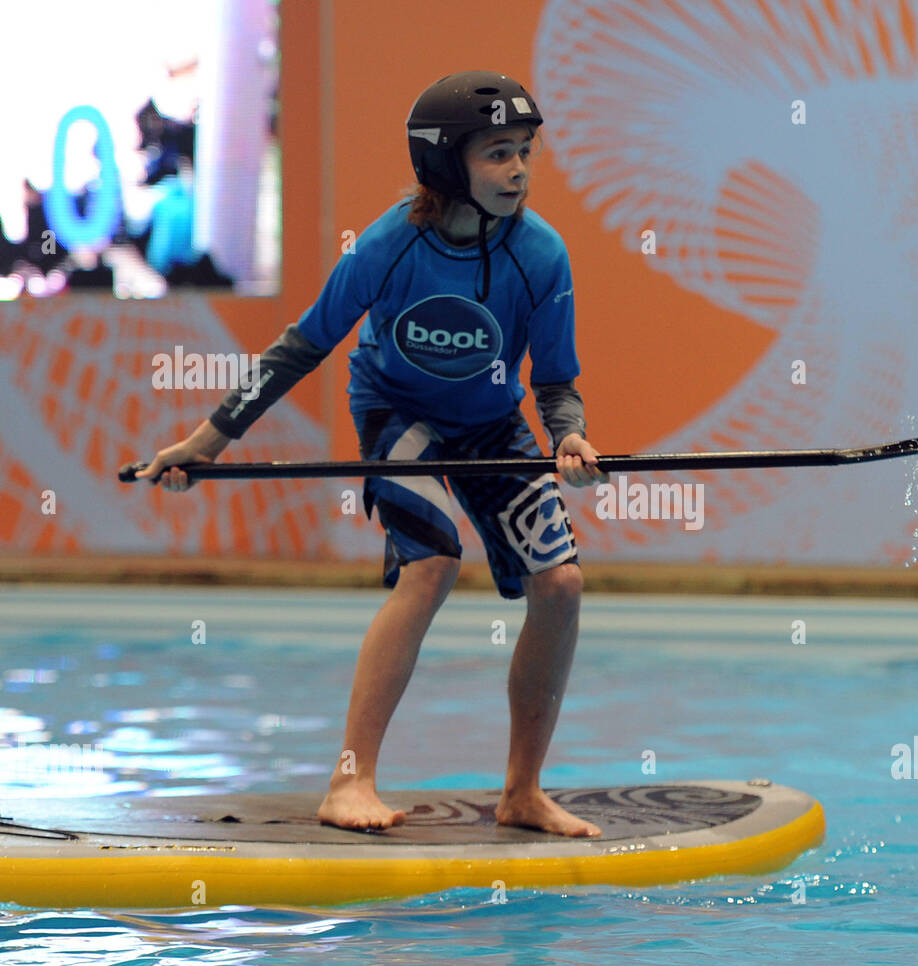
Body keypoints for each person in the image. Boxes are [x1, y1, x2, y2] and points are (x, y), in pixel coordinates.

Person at [133, 71, 607, 837]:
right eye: (497, 154)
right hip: (399, 416)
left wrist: (569, 438)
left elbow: (554, 383)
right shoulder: (388, 246)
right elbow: (301, 348)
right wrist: (207, 441)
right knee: (432, 564)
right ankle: (348, 781)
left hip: (492, 425)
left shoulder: (543, 256)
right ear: (446, 162)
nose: (519, 169)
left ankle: (521, 791)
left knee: (563, 585)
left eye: (525, 152)